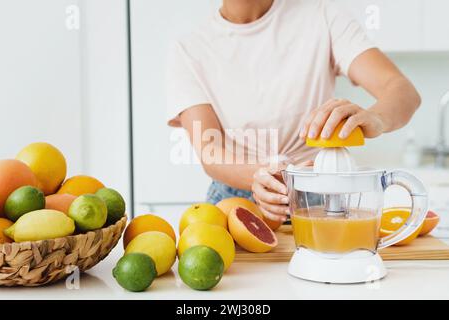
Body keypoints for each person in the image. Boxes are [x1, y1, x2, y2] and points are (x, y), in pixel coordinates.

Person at [166, 0, 421, 224]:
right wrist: (259, 176)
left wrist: (376, 117)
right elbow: (211, 153)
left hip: (320, 197)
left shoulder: (322, 15)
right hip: (234, 200)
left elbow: (403, 91)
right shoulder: (189, 49)